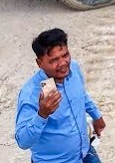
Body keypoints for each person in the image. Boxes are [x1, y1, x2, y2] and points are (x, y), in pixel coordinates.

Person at [15, 29, 106, 163]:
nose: (63, 63)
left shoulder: (73, 68)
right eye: (54, 60)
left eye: (65, 55)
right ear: (39, 63)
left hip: (84, 154)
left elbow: (81, 95)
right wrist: (42, 114)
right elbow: (22, 141)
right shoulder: (31, 95)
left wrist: (97, 116)